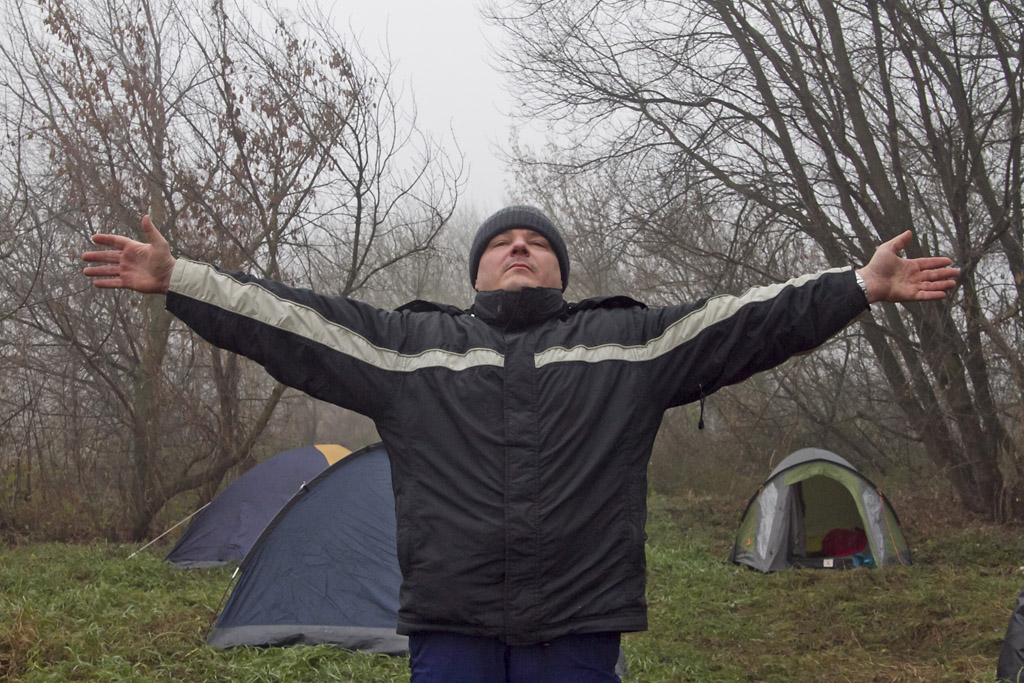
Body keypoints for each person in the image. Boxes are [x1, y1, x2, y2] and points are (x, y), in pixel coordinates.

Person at [83, 206, 957, 682]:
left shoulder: (628, 344)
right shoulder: (411, 349)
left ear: (560, 271)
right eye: (502, 242)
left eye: (536, 243)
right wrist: (180, 279)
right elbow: (290, 321)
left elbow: (750, 320)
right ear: (475, 271)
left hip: (577, 628)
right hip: (451, 627)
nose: (519, 249)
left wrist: (857, 285)